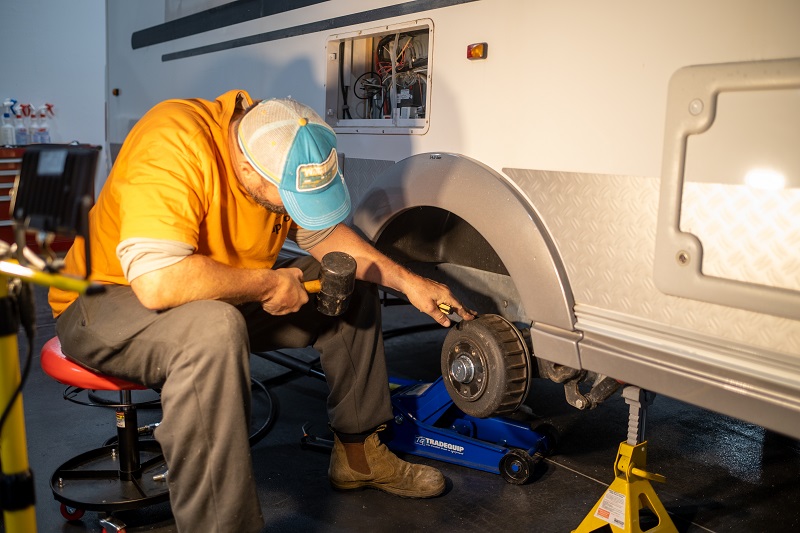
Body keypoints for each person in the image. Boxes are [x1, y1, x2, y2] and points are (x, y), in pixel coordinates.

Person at [48, 91, 474, 533]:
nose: (292, 211)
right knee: (214, 328)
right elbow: (158, 282)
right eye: (286, 199)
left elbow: (322, 234)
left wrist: (409, 282)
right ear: (247, 170)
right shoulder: (173, 140)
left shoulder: (272, 137)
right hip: (107, 300)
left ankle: (358, 456)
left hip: (215, 292)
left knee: (348, 280)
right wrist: (269, 283)